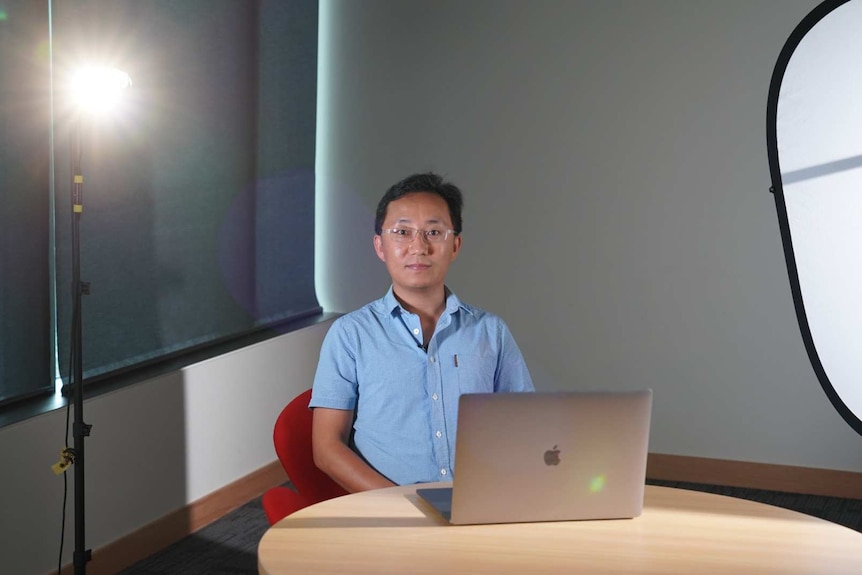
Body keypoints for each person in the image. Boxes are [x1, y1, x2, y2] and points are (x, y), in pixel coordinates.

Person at [309, 172, 534, 492]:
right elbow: (327, 449)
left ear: (454, 245)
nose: (419, 246)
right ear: (380, 245)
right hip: (390, 513)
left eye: (434, 232)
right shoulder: (350, 335)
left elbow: (524, 426)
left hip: (478, 501)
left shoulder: (490, 332)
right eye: (402, 232)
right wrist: (402, 507)